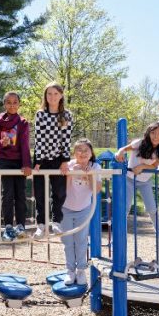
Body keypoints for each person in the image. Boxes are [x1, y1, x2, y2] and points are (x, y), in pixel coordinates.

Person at [115, 122, 159, 239]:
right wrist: (120, 152)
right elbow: (124, 149)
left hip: (145, 181)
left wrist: (142, 166)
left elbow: (155, 165)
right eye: (153, 133)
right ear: (148, 133)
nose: (155, 136)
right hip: (129, 179)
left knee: (151, 207)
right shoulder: (139, 143)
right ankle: (120, 233)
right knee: (125, 206)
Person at [33, 82, 73, 238]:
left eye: (56, 94)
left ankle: (57, 222)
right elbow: (39, 138)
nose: (53, 97)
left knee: (59, 192)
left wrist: (64, 160)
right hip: (42, 158)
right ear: (45, 96)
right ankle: (41, 224)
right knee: (40, 192)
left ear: (61, 95)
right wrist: (39, 160)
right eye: (49, 94)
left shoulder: (66, 115)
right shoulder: (41, 114)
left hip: (58, 158)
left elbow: (66, 138)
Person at [61, 139, 102, 285]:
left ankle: (81, 270)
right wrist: (72, 173)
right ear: (74, 153)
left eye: (86, 150)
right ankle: (70, 270)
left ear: (91, 153)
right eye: (79, 150)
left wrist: (88, 175)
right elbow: (63, 190)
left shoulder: (95, 166)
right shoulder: (70, 165)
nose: (83, 153)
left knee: (81, 240)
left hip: (84, 208)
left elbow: (96, 190)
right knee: (67, 240)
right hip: (66, 207)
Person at [0, 91, 32, 240]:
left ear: (19, 104)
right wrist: (0, 144)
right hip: (4, 160)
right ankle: (8, 226)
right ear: (4, 104)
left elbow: (24, 144)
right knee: (7, 194)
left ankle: (21, 225)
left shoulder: (22, 122)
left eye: (15, 102)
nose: (12, 105)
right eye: (8, 102)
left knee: (20, 194)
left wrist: (27, 164)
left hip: (19, 161)